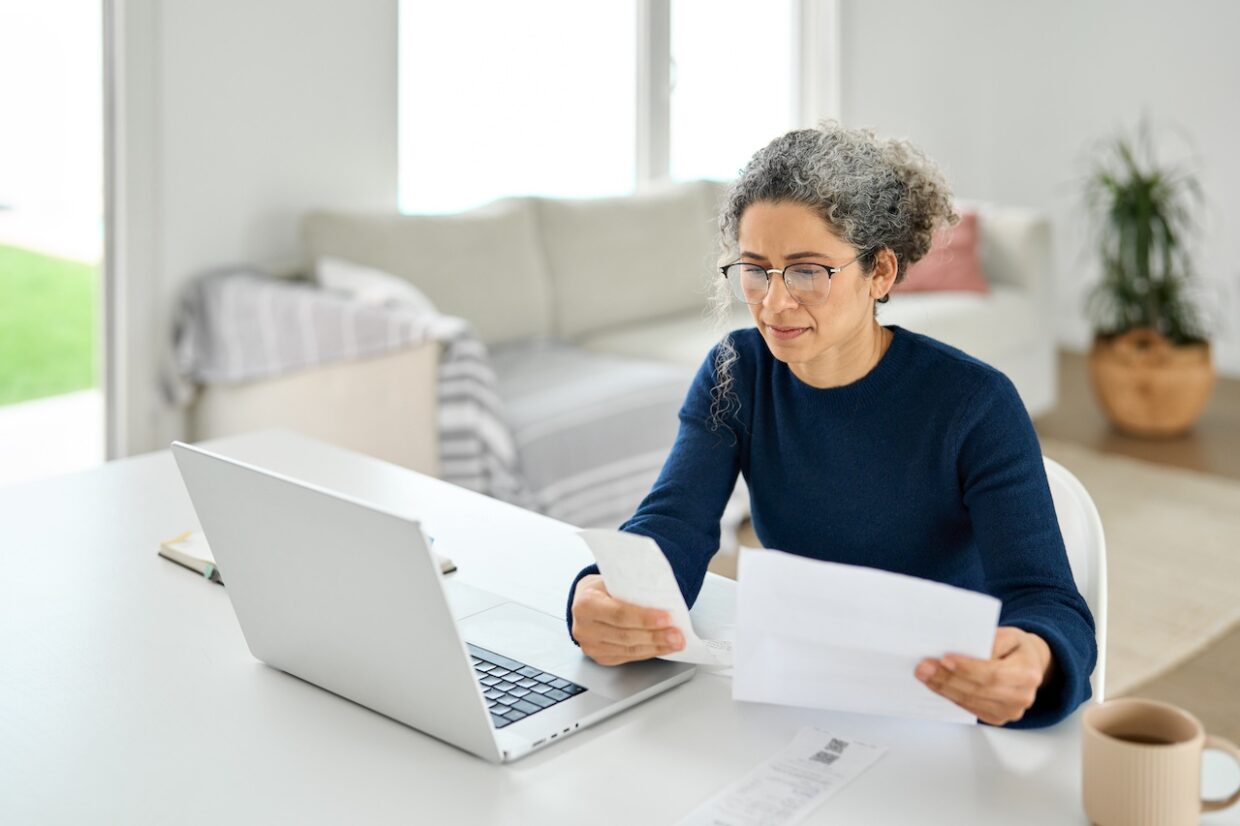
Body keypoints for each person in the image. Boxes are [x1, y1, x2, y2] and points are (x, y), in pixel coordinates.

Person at [564, 122, 1096, 729]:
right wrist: (601, 595)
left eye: (808, 271)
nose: (773, 302)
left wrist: (1036, 658)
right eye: (756, 269)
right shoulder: (737, 373)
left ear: (881, 273)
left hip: (947, 702)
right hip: (807, 685)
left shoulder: (975, 405)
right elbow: (671, 526)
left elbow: (1049, 602)